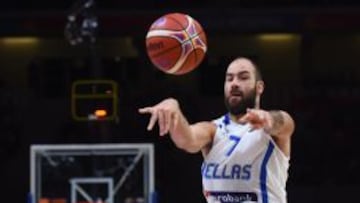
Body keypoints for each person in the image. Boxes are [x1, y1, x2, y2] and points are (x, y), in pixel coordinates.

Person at [139, 57, 295, 203]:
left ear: (259, 87)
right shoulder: (213, 130)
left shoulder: (271, 130)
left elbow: (285, 122)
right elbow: (186, 140)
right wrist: (175, 112)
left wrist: (269, 120)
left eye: (243, 77)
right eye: (229, 78)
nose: (234, 83)